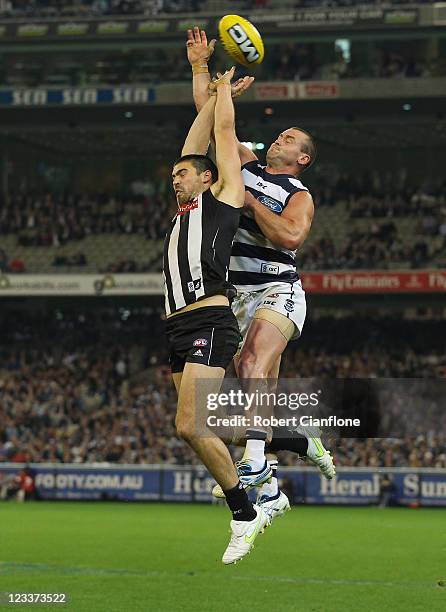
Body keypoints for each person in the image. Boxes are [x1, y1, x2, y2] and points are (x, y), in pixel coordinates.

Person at [186, 27, 335, 520]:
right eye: (280, 133)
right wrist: (205, 73)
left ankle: (254, 467)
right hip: (236, 294)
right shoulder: (246, 165)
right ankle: (294, 441)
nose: (281, 137)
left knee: (253, 366)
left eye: (290, 138)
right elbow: (214, 127)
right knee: (246, 392)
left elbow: (291, 238)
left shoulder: (299, 194)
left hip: (279, 287)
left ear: (303, 159)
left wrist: (245, 197)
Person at [164, 67, 271, 564]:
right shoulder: (185, 209)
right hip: (177, 325)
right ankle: (287, 438)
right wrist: (200, 77)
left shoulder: (223, 199)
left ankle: (245, 513)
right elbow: (195, 143)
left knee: (188, 425)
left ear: (207, 177)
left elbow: (219, 136)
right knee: (207, 428)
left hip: (210, 319)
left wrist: (223, 93)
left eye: (183, 173)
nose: (175, 176)